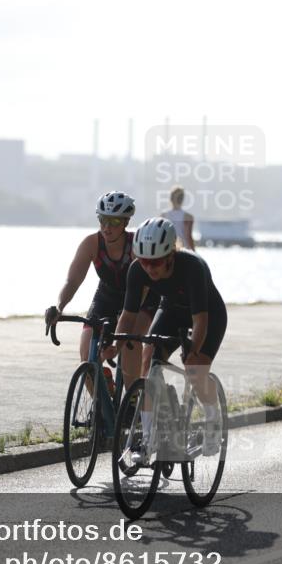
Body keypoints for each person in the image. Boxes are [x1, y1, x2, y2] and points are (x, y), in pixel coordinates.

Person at [104, 217, 227, 461]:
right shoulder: (137, 270)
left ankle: (214, 422)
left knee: (195, 368)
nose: (149, 268)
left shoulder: (192, 267)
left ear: (170, 254)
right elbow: (128, 315)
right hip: (172, 310)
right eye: (144, 261)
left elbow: (200, 321)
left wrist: (193, 351)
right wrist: (116, 346)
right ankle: (149, 438)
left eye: (156, 262)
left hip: (208, 314)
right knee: (148, 361)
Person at [45, 191, 156, 387]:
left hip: (141, 298)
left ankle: (132, 397)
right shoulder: (91, 243)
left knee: (129, 342)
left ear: (125, 222)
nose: (106, 227)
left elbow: (144, 288)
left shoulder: (135, 246)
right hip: (107, 297)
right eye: (103, 220)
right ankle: (102, 402)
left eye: (114, 222)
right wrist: (59, 307)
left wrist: (126, 318)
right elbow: (72, 281)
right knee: (87, 357)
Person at [161, 185, 196, 250]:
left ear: (171, 198)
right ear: (182, 199)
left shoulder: (163, 215)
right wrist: (194, 252)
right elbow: (188, 237)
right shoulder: (188, 217)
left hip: (167, 249)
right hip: (183, 249)